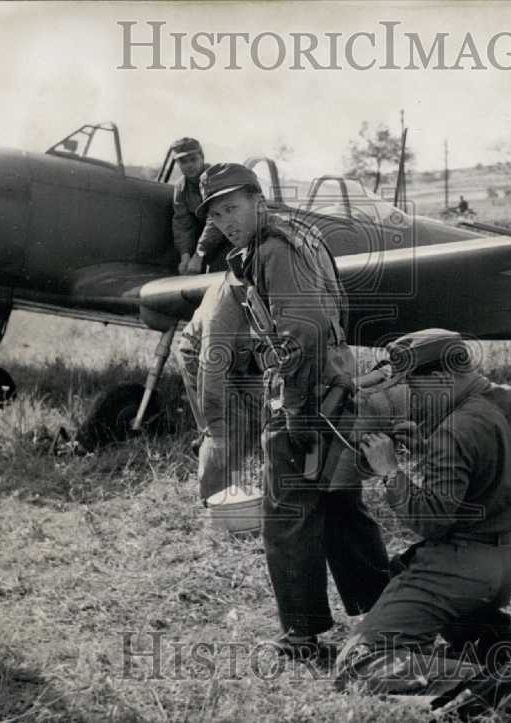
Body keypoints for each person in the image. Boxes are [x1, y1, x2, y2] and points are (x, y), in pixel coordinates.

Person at [197, 162, 390, 660]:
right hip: (336, 383)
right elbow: (331, 308)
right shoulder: (299, 235)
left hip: (307, 395)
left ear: (257, 199)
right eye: (216, 214)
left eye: (233, 207)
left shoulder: (271, 249)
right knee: (340, 506)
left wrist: (298, 411)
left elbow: (300, 330)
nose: (226, 221)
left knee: (285, 517)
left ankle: (301, 636)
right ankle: (389, 614)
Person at [335, 329, 511, 719]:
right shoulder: (509, 398)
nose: (412, 395)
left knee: (357, 663)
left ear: (442, 376)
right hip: (505, 562)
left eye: (415, 383)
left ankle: (479, 683)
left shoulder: (454, 430)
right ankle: (487, 636)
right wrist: (428, 444)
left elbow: (430, 522)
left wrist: (391, 472)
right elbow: (488, 466)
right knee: (397, 574)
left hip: (459, 568)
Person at [175, 275, 263, 502]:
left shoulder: (269, 283)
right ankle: (215, 503)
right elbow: (211, 370)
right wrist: (216, 431)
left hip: (242, 357)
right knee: (229, 426)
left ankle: (232, 483)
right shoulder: (224, 303)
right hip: (202, 357)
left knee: (258, 417)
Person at [168, 137, 230, 275]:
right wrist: (185, 256)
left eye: (193, 159)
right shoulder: (180, 187)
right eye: (183, 162)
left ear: (202, 158)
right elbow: (182, 224)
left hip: (234, 236)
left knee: (217, 275)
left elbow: (216, 219)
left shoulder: (216, 178)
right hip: (210, 241)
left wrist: (198, 255)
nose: (189, 165)